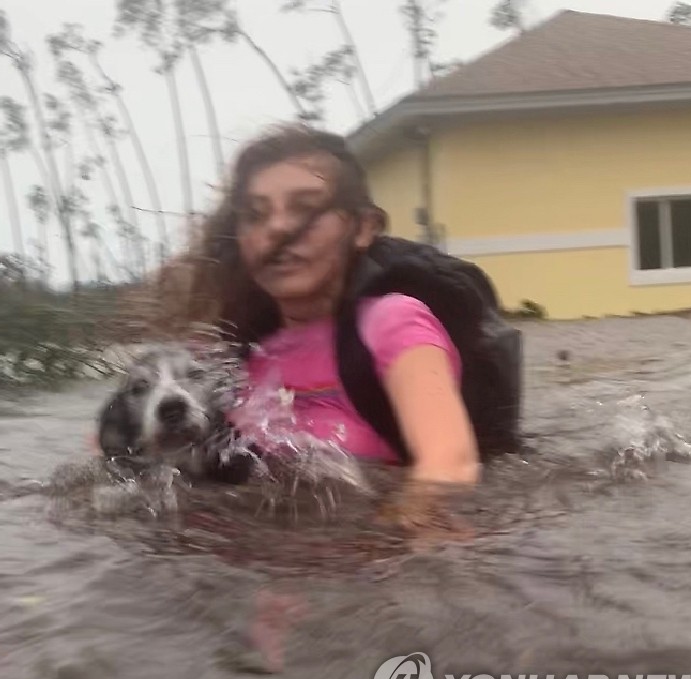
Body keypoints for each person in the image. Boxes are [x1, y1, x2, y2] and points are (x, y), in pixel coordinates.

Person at [165, 124, 517, 535]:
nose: (277, 229)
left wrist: (385, 542)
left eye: (304, 209)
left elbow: (449, 467)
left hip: (371, 570)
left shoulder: (392, 324)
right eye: (255, 215)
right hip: (266, 570)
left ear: (363, 228)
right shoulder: (234, 356)